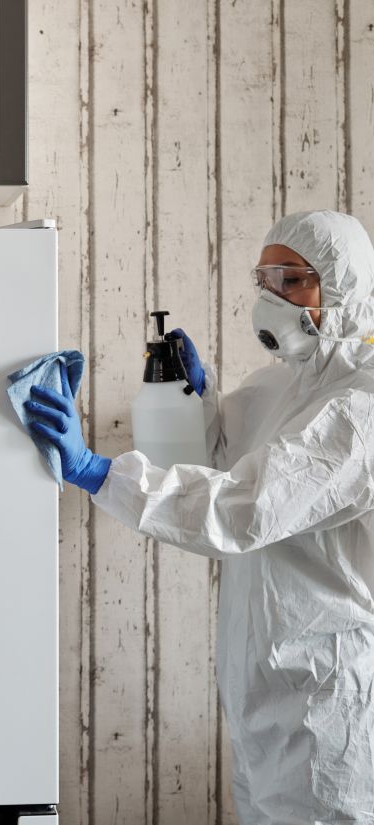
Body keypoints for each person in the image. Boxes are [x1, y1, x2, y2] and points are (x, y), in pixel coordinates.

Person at [25, 210, 374, 824]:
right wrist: (198, 403)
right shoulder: (281, 386)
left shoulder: (360, 409)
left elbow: (245, 507)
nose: (271, 296)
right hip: (263, 675)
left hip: (329, 684)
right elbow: (218, 462)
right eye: (264, 278)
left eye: (291, 280)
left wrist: (95, 472)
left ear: (341, 288)